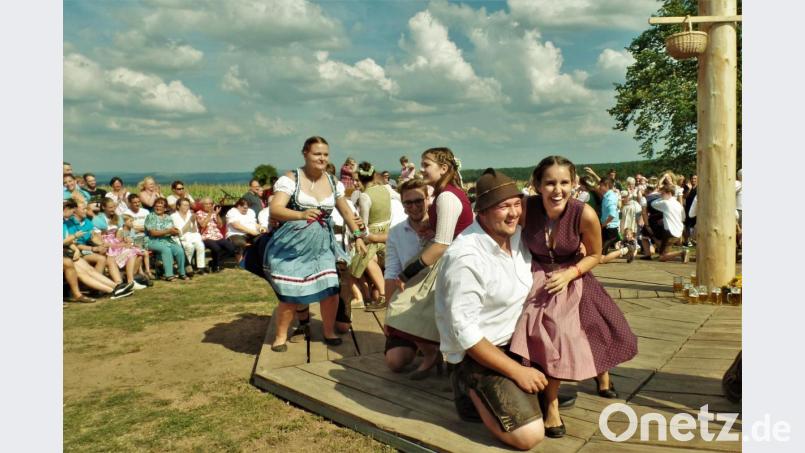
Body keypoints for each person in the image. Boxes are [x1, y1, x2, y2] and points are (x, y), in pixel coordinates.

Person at [509, 156, 638, 439]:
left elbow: (595, 255)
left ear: (574, 183)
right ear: (537, 185)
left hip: (573, 272)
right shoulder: (526, 209)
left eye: (564, 182)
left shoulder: (585, 214)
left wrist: (570, 274)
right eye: (550, 183)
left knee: (581, 330)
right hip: (537, 271)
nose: (558, 190)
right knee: (549, 329)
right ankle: (547, 388)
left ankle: (554, 402)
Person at [435, 168, 544, 450]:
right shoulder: (467, 257)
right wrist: (517, 373)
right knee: (529, 436)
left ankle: (525, 397)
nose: (513, 213)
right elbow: (465, 333)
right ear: (481, 211)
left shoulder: (517, 237)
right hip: (482, 353)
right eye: (502, 206)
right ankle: (467, 386)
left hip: (519, 342)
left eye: (516, 204)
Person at [265, 136, 366, 352]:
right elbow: (276, 209)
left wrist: (357, 235)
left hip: (323, 245)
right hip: (293, 244)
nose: (322, 158)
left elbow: (346, 211)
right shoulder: (291, 179)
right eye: (317, 154)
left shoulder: (332, 182)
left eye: (325, 154)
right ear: (305, 154)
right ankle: (281, 336)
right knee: (290, 293)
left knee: (330, 290)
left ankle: (328, 331)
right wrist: (301, 214)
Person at [384, 147, 473, 380]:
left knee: (405, 306)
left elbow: (443, 244)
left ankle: (450, 363)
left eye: (426, 164)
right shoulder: (448, 193)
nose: (421, 168)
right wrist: (430, 227)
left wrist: (407, 273)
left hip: (451, 262)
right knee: (428, 312)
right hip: (451, 259)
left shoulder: (447, 196)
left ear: (443, 168)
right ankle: (436, 357)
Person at [383, 178, 432, 372]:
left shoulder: (441, 230)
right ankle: (421, 345)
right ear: (402, 205)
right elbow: (392, 273)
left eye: (419, 200)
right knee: (395, 362)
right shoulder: (396, 233)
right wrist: (389, 315)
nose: (414, 206)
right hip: (410, 300)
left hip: (437, 297)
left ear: (428, 199)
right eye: (408, 202)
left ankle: (428, 347)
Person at [347, 162, 392, 312]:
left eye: (356, 180)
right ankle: (372, 295)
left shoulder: (365, 196)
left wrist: (356, 237)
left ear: (360, 179)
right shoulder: (386, 188)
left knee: (358, 260)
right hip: (387, 233)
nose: (354, 183)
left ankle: (369, 296)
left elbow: (364, 225)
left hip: (373, 236)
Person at [144, 198, 189, 281]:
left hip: (167, 240)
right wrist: (168, 231)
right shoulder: (150, 216)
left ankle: (182, 272)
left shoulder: (168, 217)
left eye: (160, 207)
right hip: (152, 241)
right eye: (156, 206)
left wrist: (175, 232)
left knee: (179, 250)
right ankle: (169, 275)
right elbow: (153, 233)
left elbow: (171, 230)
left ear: (165, 208)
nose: (158, 208)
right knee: (166, 249)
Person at [196, 197, 235, 272]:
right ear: (202, 205)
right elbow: (203, 225)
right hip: (206, 237)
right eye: (206, 204)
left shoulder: (214, 213)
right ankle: (216, 265)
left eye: (210, 204)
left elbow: (220, 225)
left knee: (231, 248)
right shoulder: (199, 213)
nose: (208, 205)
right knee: (216, 248)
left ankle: (215, 263)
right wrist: (210, 213)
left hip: (217, 236)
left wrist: (216, 214)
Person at [651, 184, 687, 262]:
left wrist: (660, 198)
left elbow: (653, 204)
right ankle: (671, 254)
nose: (661, 195)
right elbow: (683, 218)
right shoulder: (679, 205)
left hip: (670, 232)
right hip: (678, 231)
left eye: (662, 193)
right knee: (662, 252)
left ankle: (682, 253)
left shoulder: (666, 203)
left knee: (662, 257)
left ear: (669, 193)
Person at [171, 197, 207, 274]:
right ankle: (187, 266)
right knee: (189, 247)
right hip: (180, 237)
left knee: (200, 245)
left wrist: (194, 222)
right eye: (184, 205)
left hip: (192, 236)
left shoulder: (190, 215)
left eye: (188, 205)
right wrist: (190, 221)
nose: (186, 207)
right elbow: (180, 232)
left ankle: (201, 267)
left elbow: (194, 230)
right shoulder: (173, 216)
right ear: (178, 206)